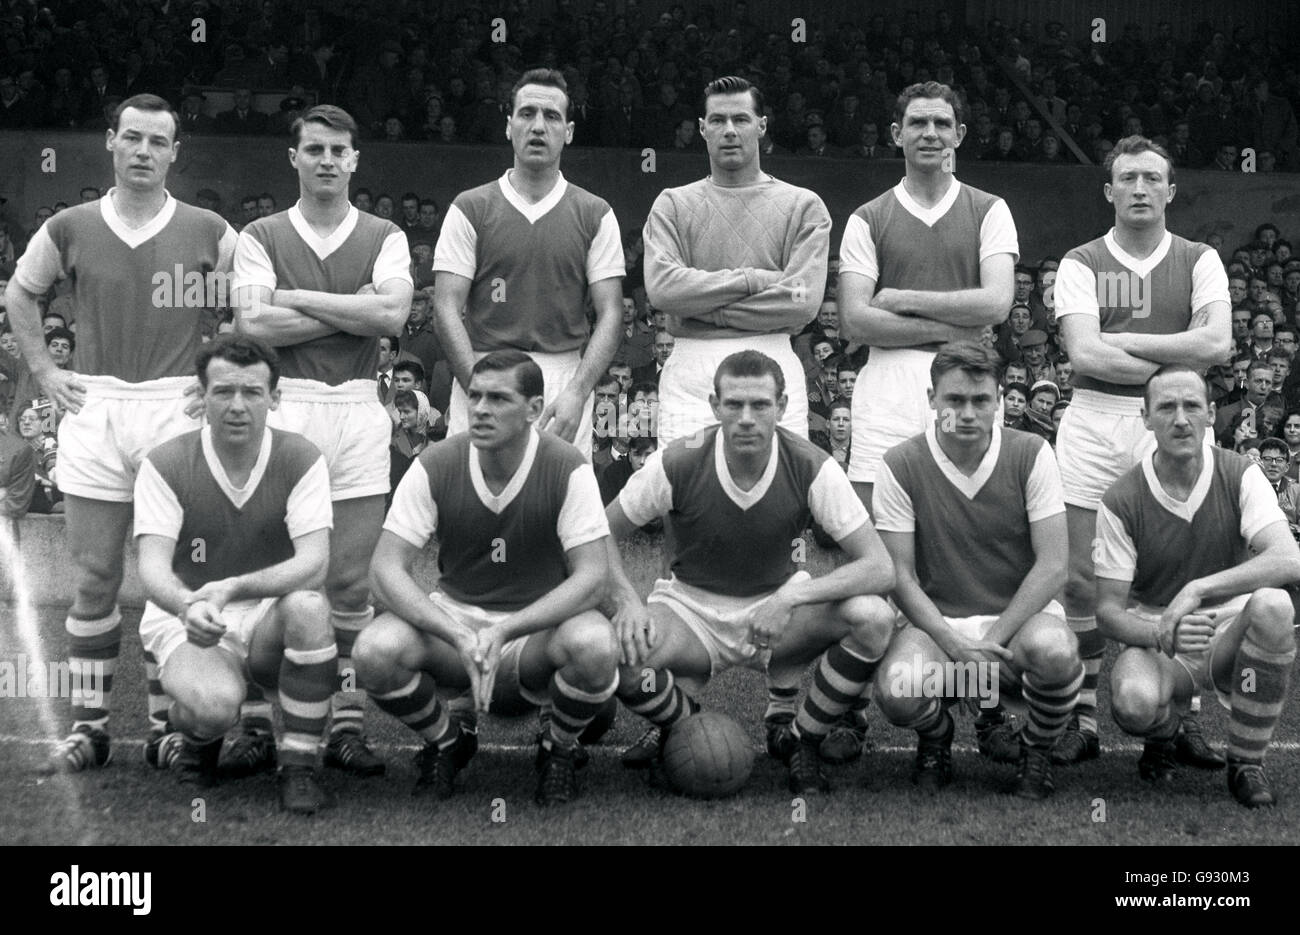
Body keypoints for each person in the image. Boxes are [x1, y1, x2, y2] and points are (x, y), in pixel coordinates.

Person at [5, 93, 237, 772]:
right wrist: (45, 369)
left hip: (176, 408)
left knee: (181, 574)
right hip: (96, 404)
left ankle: (168, 725)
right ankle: (90, 727)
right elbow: (21, 295)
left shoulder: (209, 229)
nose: (142, 151)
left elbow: (254, 299)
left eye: (156, 141)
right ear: (110, 142)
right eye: (130, 137)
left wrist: (218, 375)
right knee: (96, 576)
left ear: (175, 152)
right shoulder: (70, 225)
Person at [605, 350, 897, 795]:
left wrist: (791, 598)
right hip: (690, 612)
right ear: (713, 405)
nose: (746, 418)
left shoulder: (812, 465)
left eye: (760, 405)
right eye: (733, 404)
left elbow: (879, 567)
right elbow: (597, 535)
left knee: (873, 617)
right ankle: (683, 723)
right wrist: (627, 600)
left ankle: (801, 739)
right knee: (613, 651)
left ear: (781, 406)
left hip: (779, 612)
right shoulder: (677, 461)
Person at [232, 104, 413, 779]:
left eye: (339, 150)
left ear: (356, 159)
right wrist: (351, 313)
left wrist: (296, 297)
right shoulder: (260, 232)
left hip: (360, 410)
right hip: (286, 409)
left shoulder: (385, 233)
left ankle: (343, 725)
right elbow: (252, 325)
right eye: (315, 149)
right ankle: (255, 724)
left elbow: (393, 314)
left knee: (348, 579)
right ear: (294, 156)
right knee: (268, 566)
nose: (328, 161)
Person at [354, 351, 618, 805]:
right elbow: (383, 569)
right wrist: (455, 632)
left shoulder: (566, 465)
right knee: (374, 651)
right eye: (474, 396)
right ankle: (448, 742)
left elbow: (594, 578)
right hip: (456, 626)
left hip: (534, 633)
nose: (479, 408)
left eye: (498, 398)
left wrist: (506, 630)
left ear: (534, 409)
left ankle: (558, 749)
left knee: (595, 646)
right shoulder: (436, 462)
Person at [1051, 136, 1231, 766]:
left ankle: (1178, 718)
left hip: (1177, 420)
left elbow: (1218, 346)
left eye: (1151, 178)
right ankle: (1082, 720)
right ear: (1109, 190)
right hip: (1095, 418)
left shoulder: (1200, 257)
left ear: (1170, 190)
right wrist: (1176, 355)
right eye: (1127, 177)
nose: (1139, 188)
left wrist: (1132, 350)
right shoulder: (1081, 260)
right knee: (1080, 576)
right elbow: (1085, 354)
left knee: (1182, 572)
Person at [134, 336, 336, 813]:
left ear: (275, 398)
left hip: (267, 614)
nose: (237, 406)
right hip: (194, 611)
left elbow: (315, 562)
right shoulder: (166, 462)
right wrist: (188, 604)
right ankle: (196, 738)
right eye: (223, 392)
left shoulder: (302, 457)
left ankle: (300, 767)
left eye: (252, 392)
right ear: (201, 396)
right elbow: (151, 566)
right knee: (212, 709)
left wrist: (235, 587)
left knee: (310, 606)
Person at [871, 342, 1081, 797]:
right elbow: (900, 578)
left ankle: (1036, 748)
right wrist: (957, 647)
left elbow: (1054, 566)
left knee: (1058, 653)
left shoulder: (1031, 453)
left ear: (999, 400)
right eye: (954, 400)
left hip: (1016, 623)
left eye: (981, 400)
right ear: (932, 399)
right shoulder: (900, 464)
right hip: (937, 624)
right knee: (897, 691)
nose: (967, 413)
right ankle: (936, 732)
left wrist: (988, 645)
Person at [1095, 365, 1299, 807]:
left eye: (1191, 406)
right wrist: (1158, 631)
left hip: (1231, 635)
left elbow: (1289, 558)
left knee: (1274, 606)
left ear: (1210, 413)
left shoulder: (1241, 473)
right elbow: (1108, 612)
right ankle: (1164, 732)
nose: (1180, 418)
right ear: (1145, 416)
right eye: (1166, 407)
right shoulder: (1121, 499)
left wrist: (1198, 589)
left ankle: (1246, 762)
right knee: (1132, 703)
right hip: (1162, 634)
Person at [434, 69, 624, 459]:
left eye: (552, 116)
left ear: (569, 131)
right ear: (508, 126)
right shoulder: (469, 207)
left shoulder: (596, 213)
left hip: (563, 380)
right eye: (527, 113)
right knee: (474, 512)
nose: (538, 126)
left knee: (557, 513)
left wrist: (577, 392)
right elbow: (444, 308)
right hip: (484, 366)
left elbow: (611, 314)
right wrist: (478, 386)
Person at [643, 75, 830, 446]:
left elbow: (801, 302)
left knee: (779, 498)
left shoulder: (804, 205)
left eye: (741, 120)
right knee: (685, 495)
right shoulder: (672, 204)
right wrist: (752, 280)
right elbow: (664, 291)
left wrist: (700, 308)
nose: (729, 130)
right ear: (702, 128)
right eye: (717, 120)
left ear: (761, 126)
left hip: (772, 362)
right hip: (691, 372)